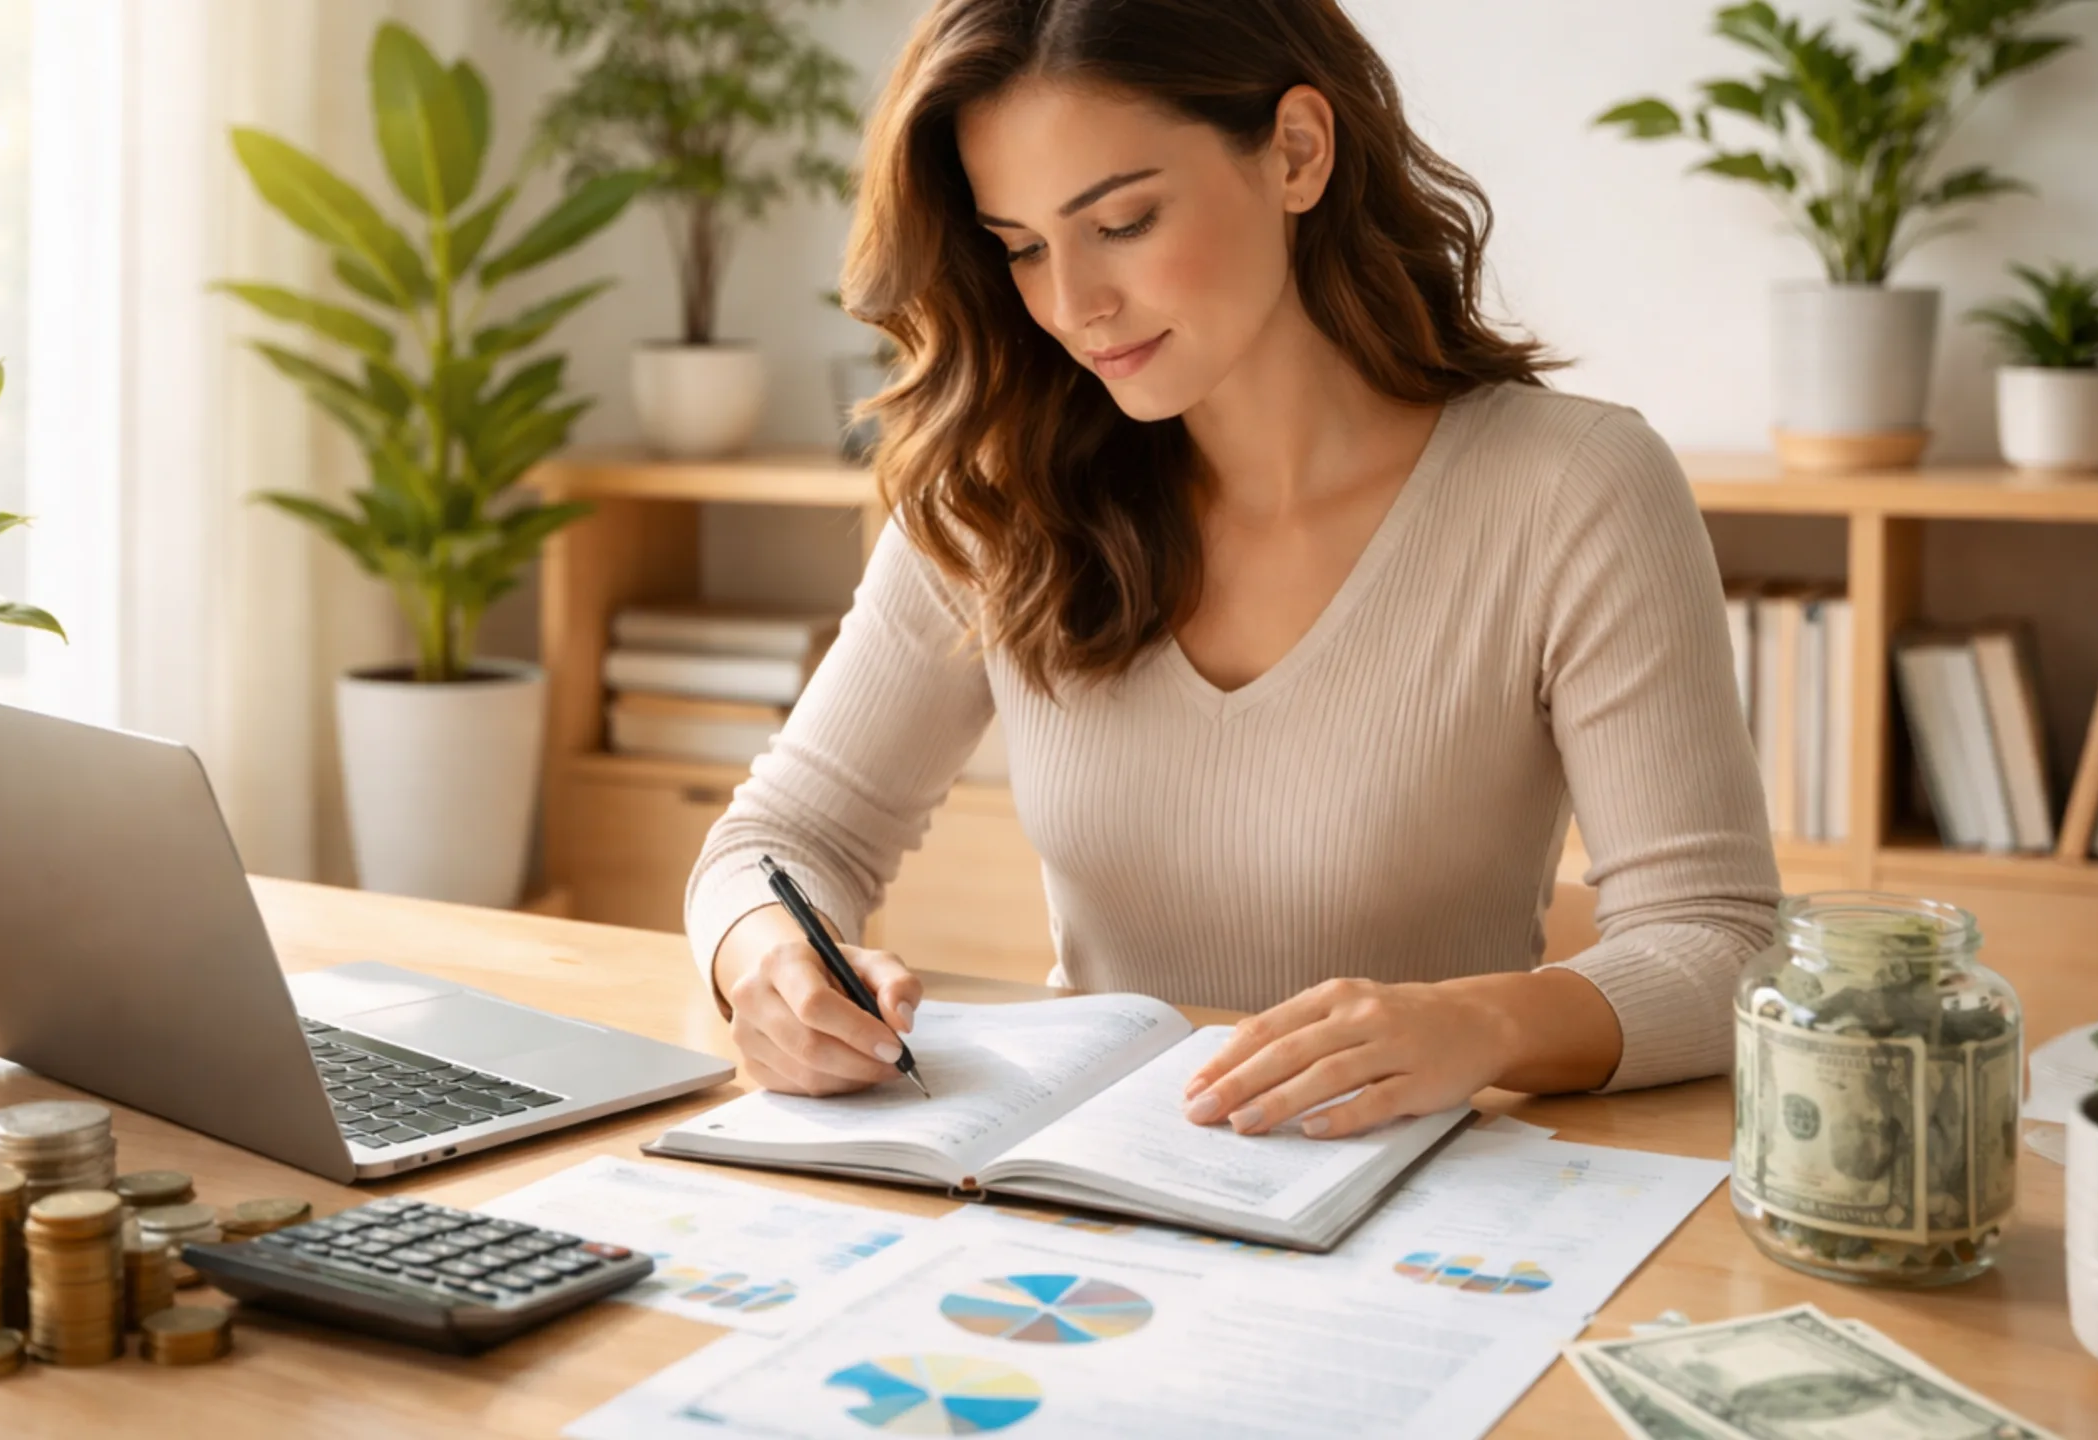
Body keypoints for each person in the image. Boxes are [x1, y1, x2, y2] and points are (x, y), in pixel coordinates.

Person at [684, 0, 1780, 1141]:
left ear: (1297, 152)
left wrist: (1477, 1028)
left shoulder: (1571, 489)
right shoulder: (1001, 493)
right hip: (1088, 1198)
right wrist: (764, 963)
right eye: (1019, 247)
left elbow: (1716, 940)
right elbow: (780, 840)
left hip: (1431, 1210)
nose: (1071, 305)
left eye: (1122, 221)